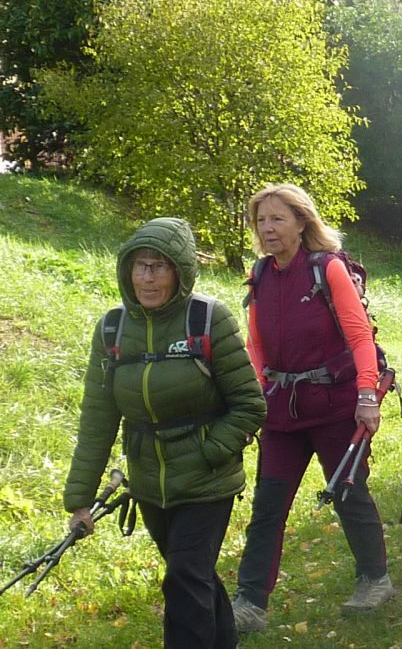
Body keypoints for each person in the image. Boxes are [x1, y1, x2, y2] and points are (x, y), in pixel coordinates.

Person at [64, 217, 264, 648]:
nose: (148, 277)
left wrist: (211, 451)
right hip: (149, 480)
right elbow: (97, 419)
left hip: (207, 480)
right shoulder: (113, 329)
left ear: (180, 272)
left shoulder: (208, 319)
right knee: (193, 574)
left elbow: (250, 403)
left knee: (183, 578)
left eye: (159, 266)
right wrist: (80, 498)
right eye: (139, 266)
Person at [232, 184, 392, 632]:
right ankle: (249, 602)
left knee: (348, 492)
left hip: (336, 404)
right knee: (268, 505)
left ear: (302, 223)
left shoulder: (328, 268)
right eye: (261, 220)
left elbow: (360, 336)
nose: (267, 229)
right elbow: (256, 344)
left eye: (277, 219)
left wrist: (366, 397)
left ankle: (375, 579)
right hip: (281, 411)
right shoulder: (259, 274)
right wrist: (253, 392)